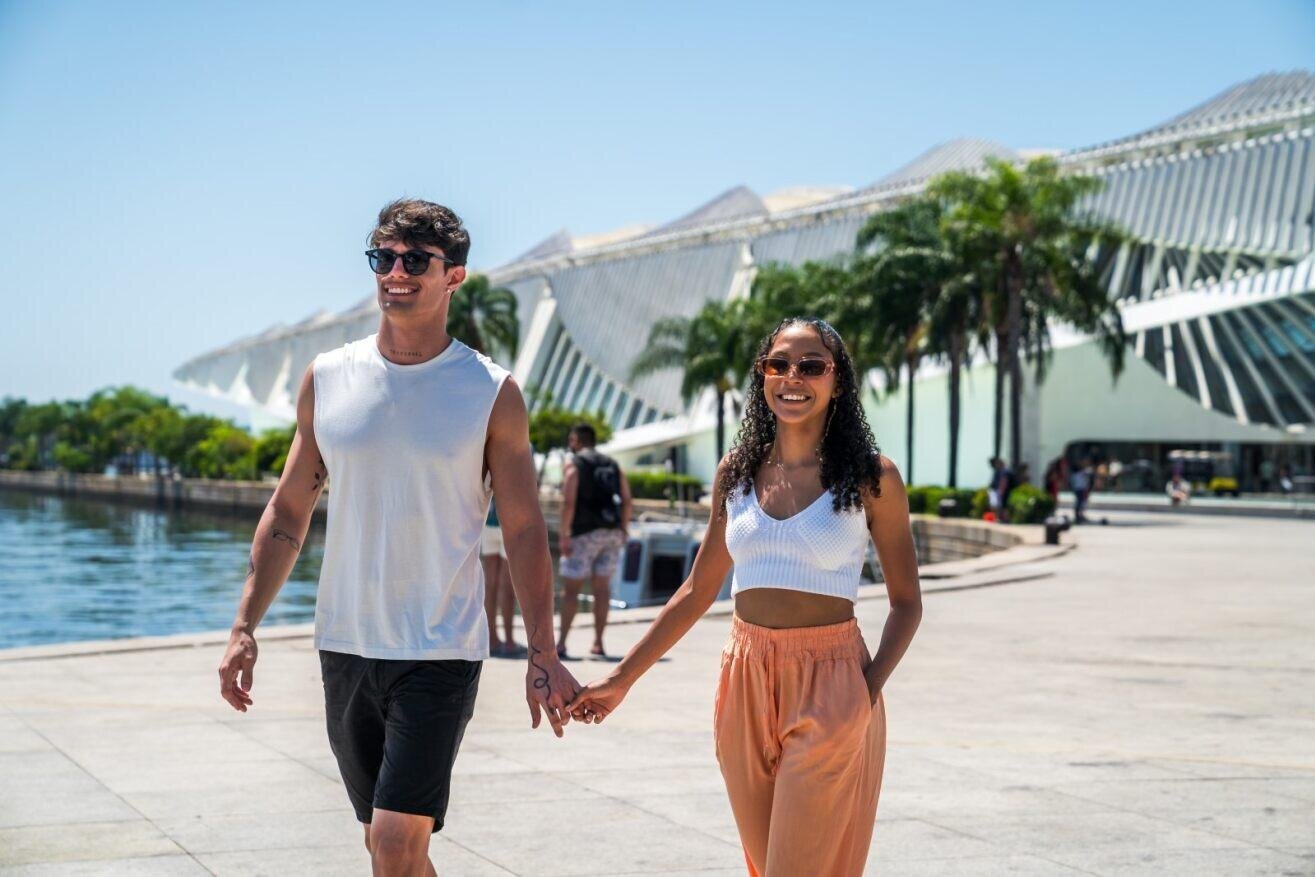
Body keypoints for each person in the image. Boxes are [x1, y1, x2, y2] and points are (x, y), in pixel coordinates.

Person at [217, 199, 580, 875]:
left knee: (393, 841)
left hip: (439, 649)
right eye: (383, 258)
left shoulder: (490, 391)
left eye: (415, 260)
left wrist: (543, 651)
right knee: (385, 845)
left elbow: (525, 528)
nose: (396, 273)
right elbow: (289, 511)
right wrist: (244, 625)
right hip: (345, 644)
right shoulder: (327, 378)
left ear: (454, 277)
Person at [568, 318, 923, 875]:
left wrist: (866, 690)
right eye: (778, 364)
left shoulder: (871, 478)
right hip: (744, 680)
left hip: (831, 682)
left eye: (811, 365)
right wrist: (620, 680)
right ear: (763, 375)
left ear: (837, 380)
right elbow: (696, 590)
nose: (792, 377)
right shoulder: (735, 472)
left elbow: (907, 602)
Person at [557, 422, 632, 659]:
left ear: (577, 440)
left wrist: (564, 533)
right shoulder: (612, 463)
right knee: (602, 589)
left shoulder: (574, 463)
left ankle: (561, 644)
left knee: (571, 590)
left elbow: (569, 501)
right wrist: (624, 527)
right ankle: (598, 643)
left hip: (583, 532)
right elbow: (627, 499)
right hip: (611, 531)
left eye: (571, 440)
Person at [481, 499, 524, 657]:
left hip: (487, 521)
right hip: (509, 522)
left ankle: (492, 638)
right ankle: (509, 641)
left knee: (490, 584)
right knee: (507, 586)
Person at [1070, 457, 1094, 523]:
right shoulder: (1079, 473)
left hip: (1080, 489)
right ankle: (1078, 516)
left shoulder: (1078, 473)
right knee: (1080, 503)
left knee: (1081, 503)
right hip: (1080, 489)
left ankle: (1080, 515)